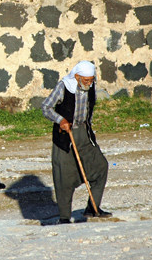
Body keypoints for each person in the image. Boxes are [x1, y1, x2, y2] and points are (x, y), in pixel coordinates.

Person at [41, 60, 112, 224]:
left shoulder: (91, 86)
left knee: (101, 166)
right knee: (64, 179)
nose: (89, 83)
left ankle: (93, 208)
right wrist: (60, 120)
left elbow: (89, 110)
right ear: (77, 76)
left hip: (84, 135)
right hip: (65, 137)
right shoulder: (64, 86)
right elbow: (46, 107)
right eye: (86, 80)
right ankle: (64, 217)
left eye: (91, 80)